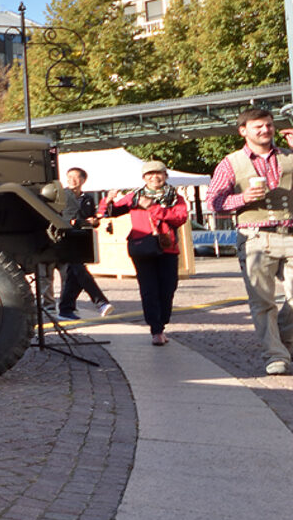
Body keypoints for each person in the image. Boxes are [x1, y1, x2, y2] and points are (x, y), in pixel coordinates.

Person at [207, 107, 293, 375]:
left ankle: (281, 336)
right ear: (243, 131)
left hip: (290, 233)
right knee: (262, 301)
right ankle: (275, 354)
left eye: (268, 125)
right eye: (258, 126)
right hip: (255, 237)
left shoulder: (289, 156)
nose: (265, 130)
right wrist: (242, 199)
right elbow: (213, 202)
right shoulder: (230, 162)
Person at [103, 161, 188, 346]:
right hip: (142, 247)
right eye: (149, 174)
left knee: (168, 288)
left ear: (165, 176)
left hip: (168, 248)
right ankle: (156, 330)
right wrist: (107, 200)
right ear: (144, 178)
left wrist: (153, 208)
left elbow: (180, 217)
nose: (154, 177)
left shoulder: (175, 197)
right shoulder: (135, 196)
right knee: (149, 289)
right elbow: (109, 212)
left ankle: (162, 323)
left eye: (158, 174)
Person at [57, 167, 114, 320]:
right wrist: (79, 222)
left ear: (83, 180)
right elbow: (57, 218)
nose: (71, 180)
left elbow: (92, 220)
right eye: (69, 177)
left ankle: (66, 308)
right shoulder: (61, 196)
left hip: (83, 240)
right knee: (79, 270)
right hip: (66, 239)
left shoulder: (88, 199)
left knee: (74, 275)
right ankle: (100, 301)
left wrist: (94, 221)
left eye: (75, 177)